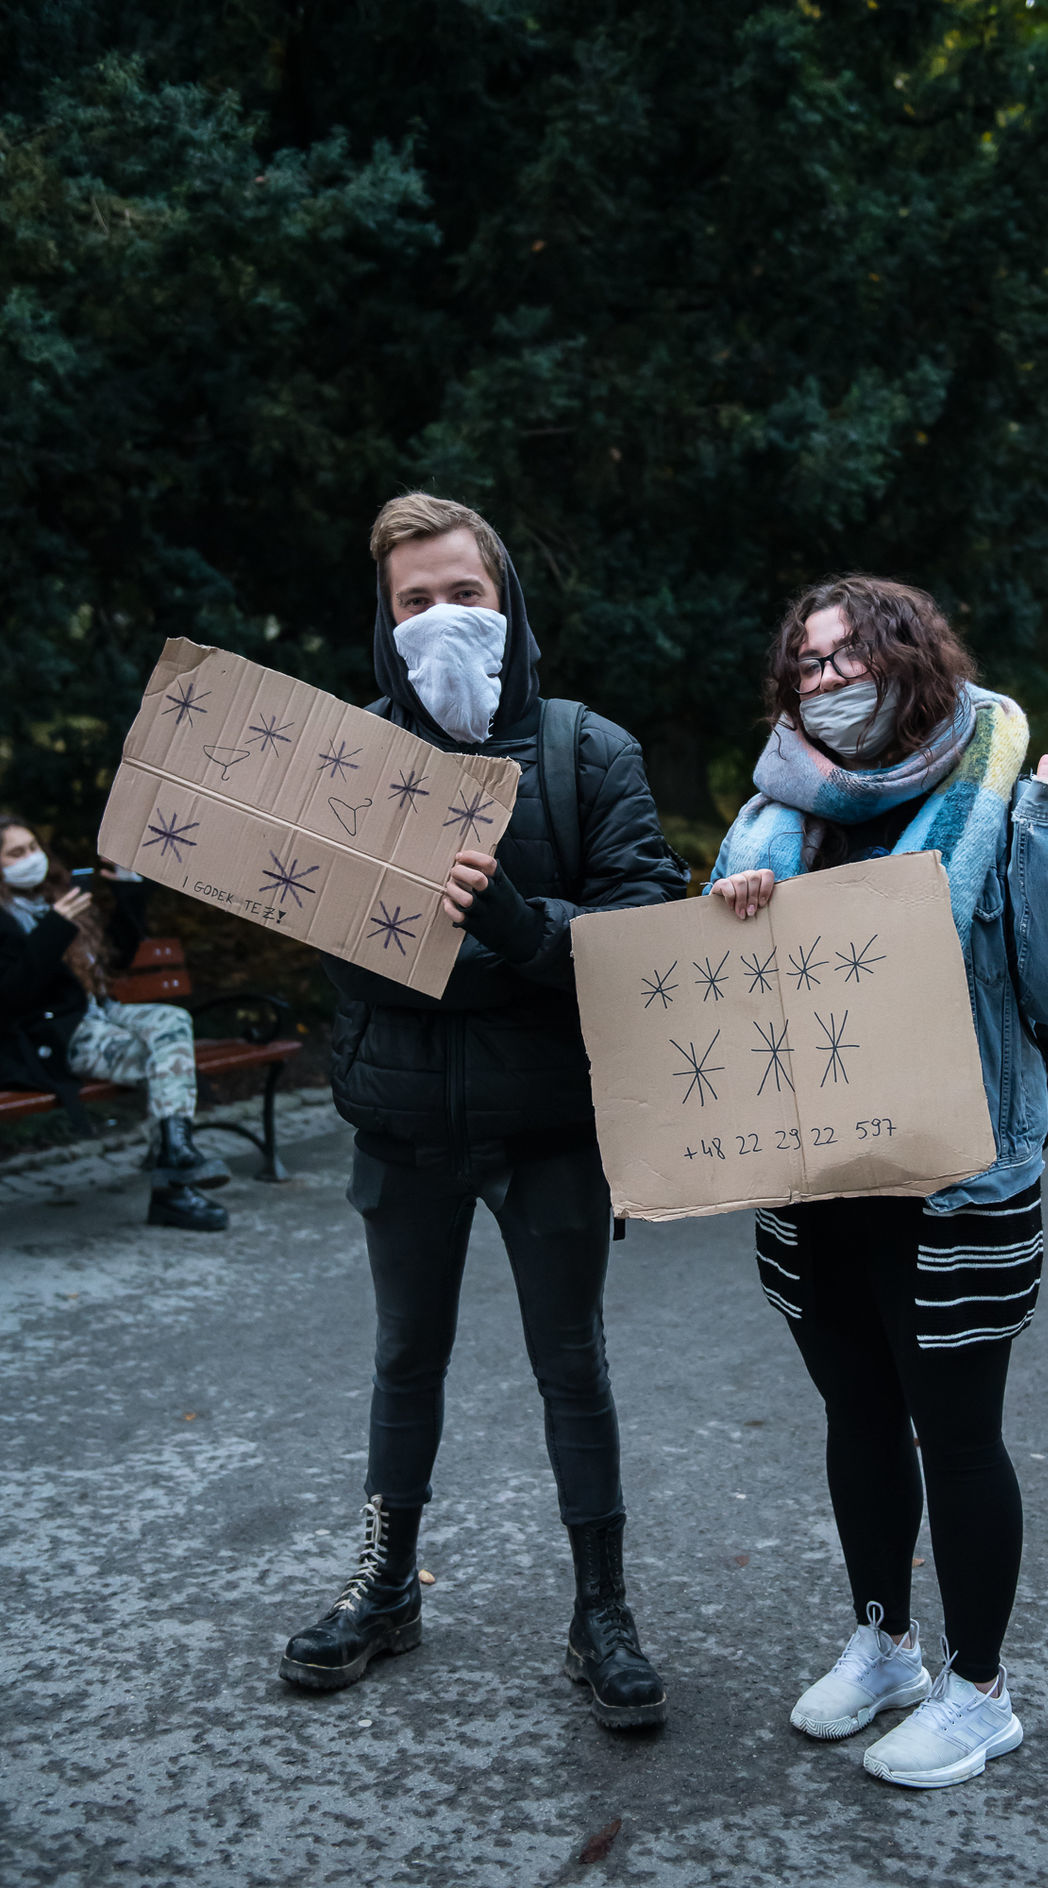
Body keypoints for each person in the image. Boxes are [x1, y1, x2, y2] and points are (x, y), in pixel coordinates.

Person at [279, 493, 689, 1728]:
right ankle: (387, 1582)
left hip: (552, 1126)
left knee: (573, 1363)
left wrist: (514, 925)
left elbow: (640, 926)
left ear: (507, 601)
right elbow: (330, 939)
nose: (441, 620)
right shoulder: (342, 756)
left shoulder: (587, 752)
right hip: (401, 1124)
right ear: (383, 622)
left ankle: (601, 1607)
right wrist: (504, 967)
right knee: (406, 1357)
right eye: (415, 602)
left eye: (464, 594)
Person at [706, 574, 1048, 1789]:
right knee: (856, 1416)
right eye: (809, 662)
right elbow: (728, 990)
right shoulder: (768, 809)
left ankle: (980, 1688)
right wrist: (729, 910)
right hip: (816, 1178)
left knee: (958, 1432)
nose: (827, 679)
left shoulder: (1000, 782)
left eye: (850, 655)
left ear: (910, 656)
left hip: (958, 1176)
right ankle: (884, 1642)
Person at [0, 815, 230, 1230]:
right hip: (53, 1036)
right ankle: (173, 1188)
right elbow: (12, 998)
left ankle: (175, 1155)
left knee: (172, 1018)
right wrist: (53, 928)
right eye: (16, 853)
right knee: (168, 1065)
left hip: (102, 1013)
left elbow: (118, 958)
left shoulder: (58, 895)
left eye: (33, 848)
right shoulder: (14, 918)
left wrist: (128, 890)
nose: (30, 859)